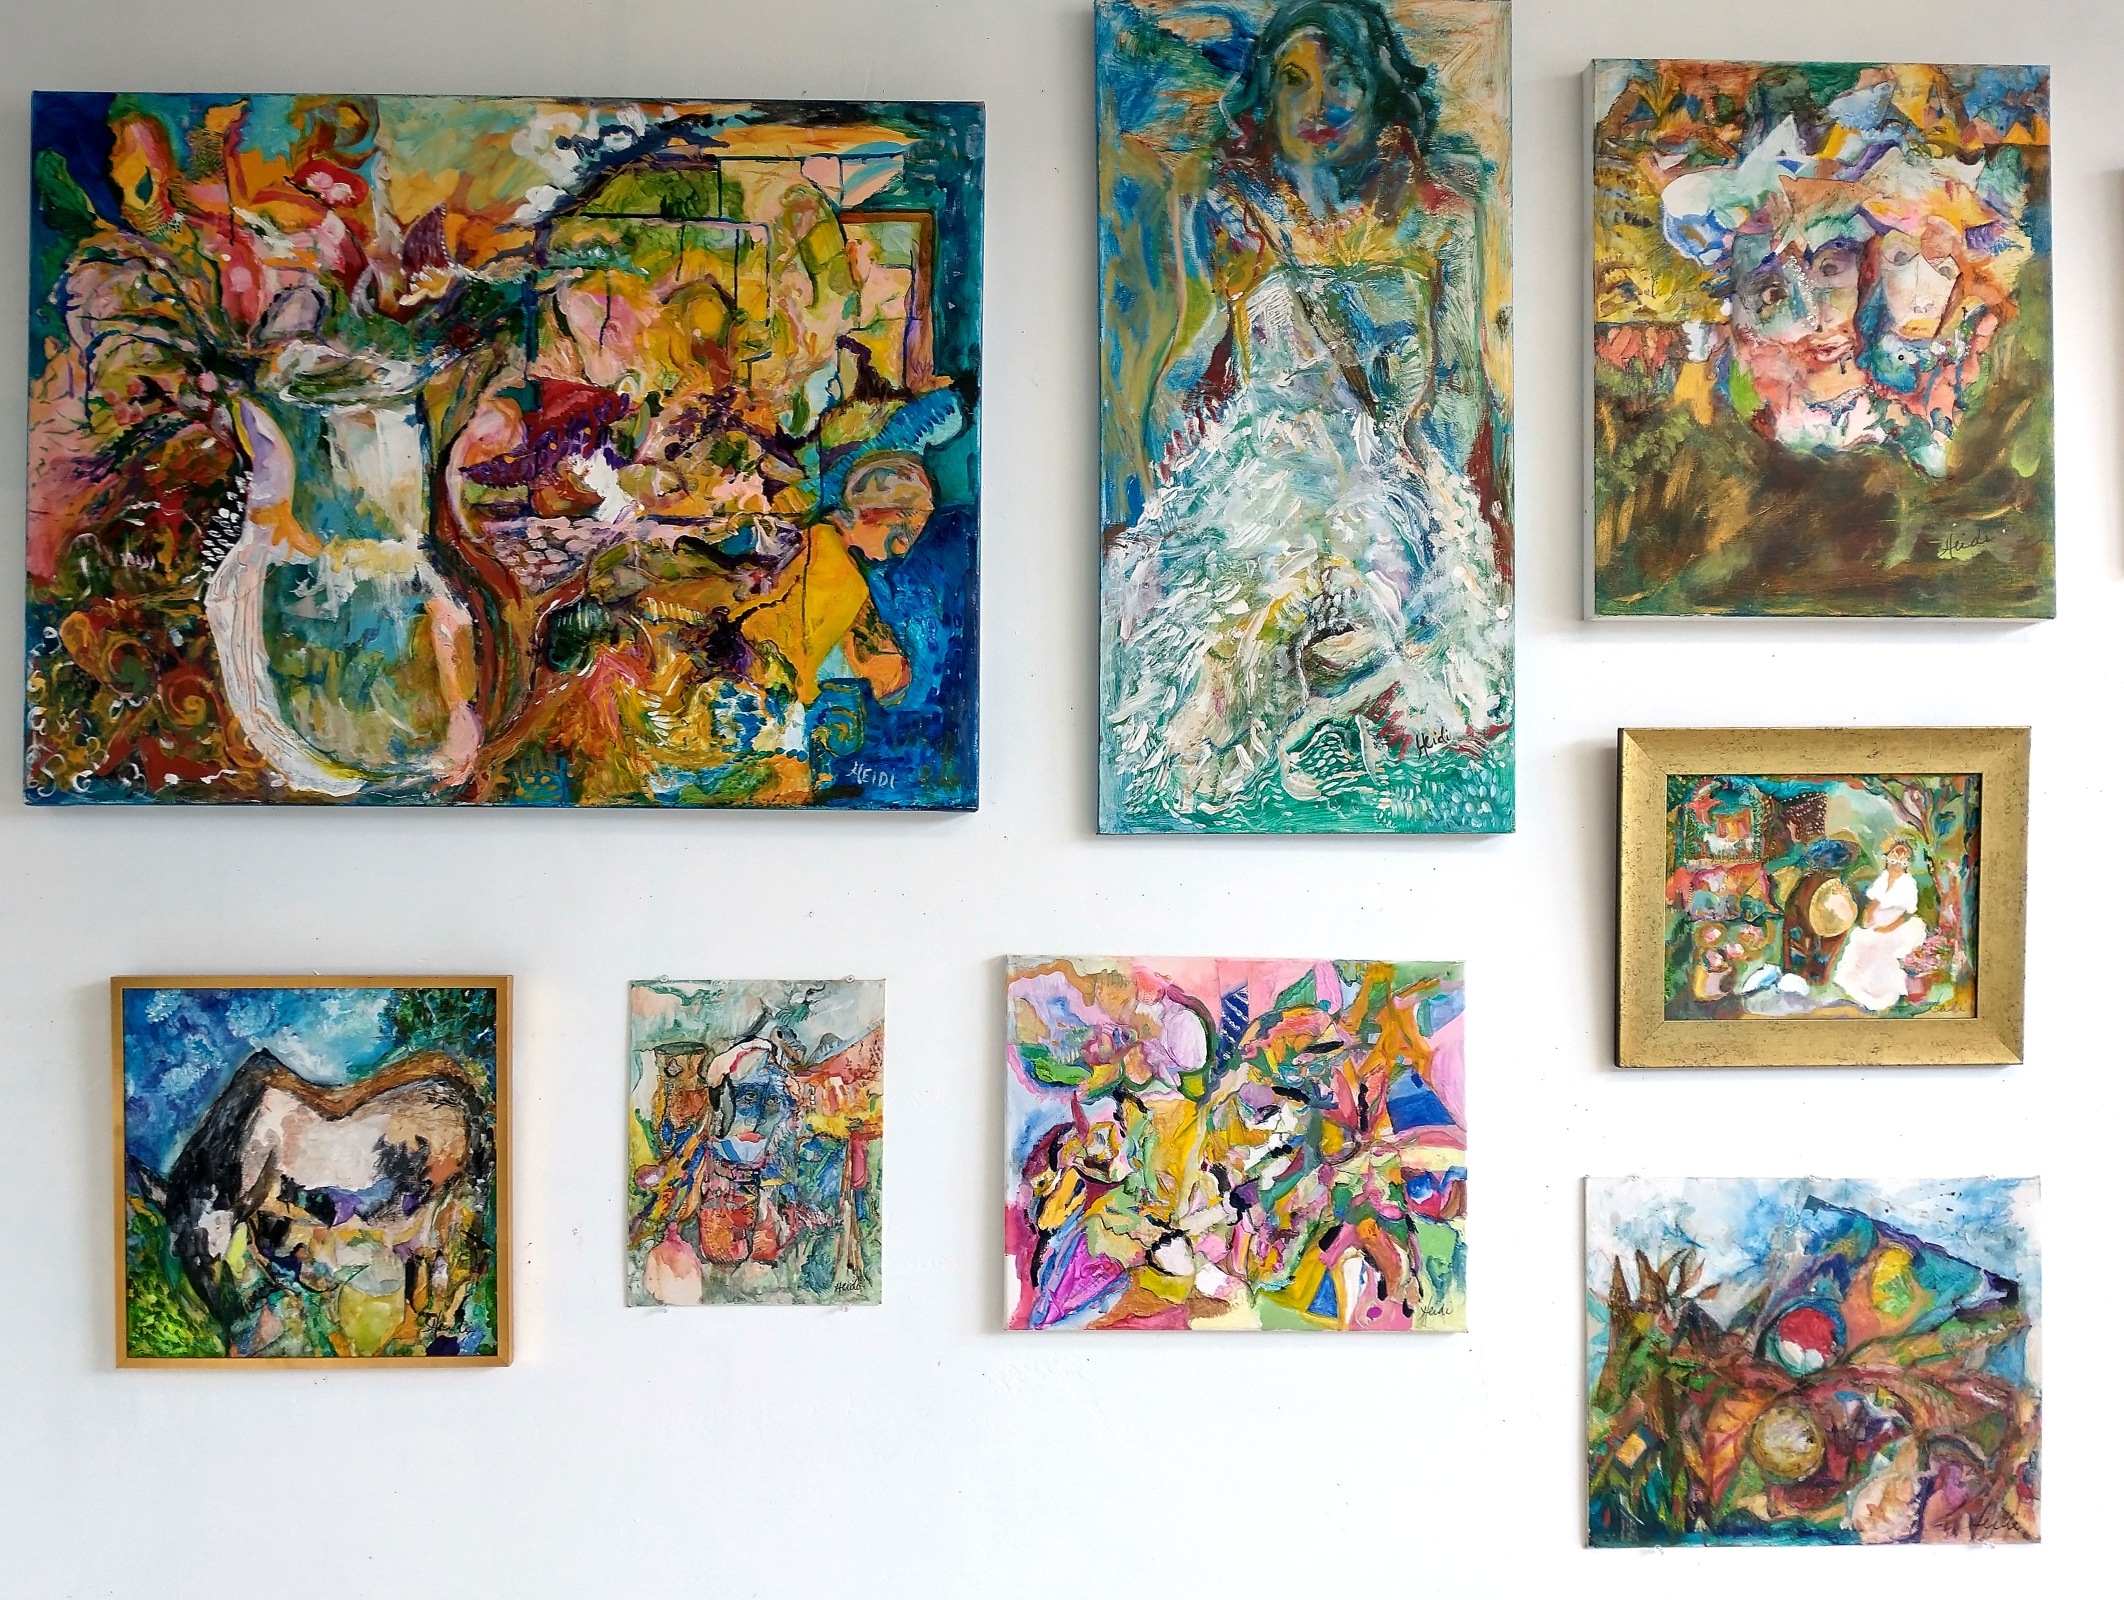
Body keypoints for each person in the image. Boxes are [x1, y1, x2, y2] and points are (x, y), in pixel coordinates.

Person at [1104, 0, 1510, 824]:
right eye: (1293, 80)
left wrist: (1433, 483)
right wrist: (1171, 478)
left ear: (1381, 88)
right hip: (1268, 465)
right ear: (1266, 98)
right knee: (1228, 622)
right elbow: (1194, 357)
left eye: (1341, 76)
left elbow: (1459, 378)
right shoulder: (1234, 209)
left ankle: (1352, 708)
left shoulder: (1441, 214)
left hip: (1397, 465)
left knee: (1396, 602)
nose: (1318, 102)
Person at [1833, 839, 1927, 1011]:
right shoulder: (1883, 878)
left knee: (1881, 949)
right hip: (1877, 922)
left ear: (1906, 863)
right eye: (1893, 858)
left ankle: (1881, 995)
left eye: (1901, 860)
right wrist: (1868, 917)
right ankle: (1857, 989)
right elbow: (1874, 901)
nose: (1896, 864)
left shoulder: (1908, 883)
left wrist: (1887, 928)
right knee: (1861, 941)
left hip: (1896, 924)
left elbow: (1905, 914)